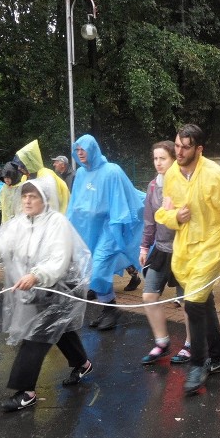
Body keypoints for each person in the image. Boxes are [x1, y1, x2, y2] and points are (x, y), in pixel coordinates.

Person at [0, 179, 94, 411]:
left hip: (60, 287)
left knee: (37, 335)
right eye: (24, 196)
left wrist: (37, 275)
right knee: (59, 329)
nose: (27, 201)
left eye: (33, 196)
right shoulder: (18, 224)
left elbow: (58, 260)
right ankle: (82, 363)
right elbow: (5, 246)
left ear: (45, 199)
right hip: (36, 287)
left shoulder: (58, 223)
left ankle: (25, 391)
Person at [155, 124, 220, 395]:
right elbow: (164, 212)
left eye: (185, 147)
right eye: (177, 145)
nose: (179, 151)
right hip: (186, 246)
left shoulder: (216, 176)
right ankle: (217, 356)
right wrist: (175, 218)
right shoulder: (172, 175)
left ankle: (198, 364)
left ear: (199, 149)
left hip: (212, 244)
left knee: (193, 301)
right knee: (203, 300)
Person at [67, 134, 144, 331]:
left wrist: (117, 225)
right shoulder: (81, 175)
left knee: (100, 267)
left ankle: (110, 310)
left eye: (83, 149)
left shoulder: (112, 171)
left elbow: (122, 198)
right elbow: (75, 203)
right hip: (91, 229)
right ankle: (108, 309)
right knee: (92, 270)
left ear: (93, 148)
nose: (80, 153)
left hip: (110, 228)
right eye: (77, 150)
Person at [138, 141, 191, 365]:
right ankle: (162, 342)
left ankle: (191, 344)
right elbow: (149, 220)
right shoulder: (152, 186)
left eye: (163, 158)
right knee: (149, 295)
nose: (158, 163)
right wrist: (144, 246)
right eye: (155, 158)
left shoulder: (185, 184)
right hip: (160, 249)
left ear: (173, 159)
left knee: (190, 301)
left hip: (184, 250)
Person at [12, 140, 70, 214]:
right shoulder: (25, 177)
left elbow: (52, 202)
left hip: (59, 213)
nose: (19, 168)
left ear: (29, 163)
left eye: (22, 165)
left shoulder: (46, 174)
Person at [0, 161, 25, 227]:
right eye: (4, 177)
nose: (6, 179)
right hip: (5, 222)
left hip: (18, 223)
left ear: (14, 176)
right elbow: (0, 201)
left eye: (8, 177)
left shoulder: (21, 187)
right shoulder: (4, 188)